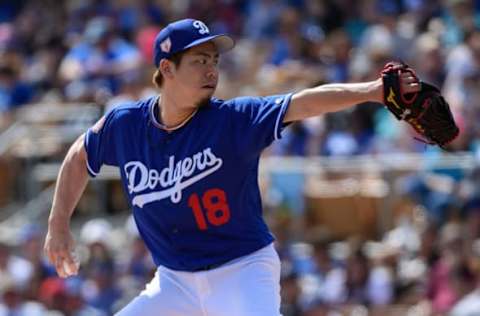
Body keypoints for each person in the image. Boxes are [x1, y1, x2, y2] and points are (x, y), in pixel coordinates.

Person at [44, 18, 419, 315]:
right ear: (166, 68)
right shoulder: (124, 125)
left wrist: (372, 91)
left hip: (241, 269)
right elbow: (79, 155)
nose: (211, 70)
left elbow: (303, 103)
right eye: (199, 60)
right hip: (174, 281)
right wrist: (59, 223)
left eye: (214, 60)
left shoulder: (233, 119)